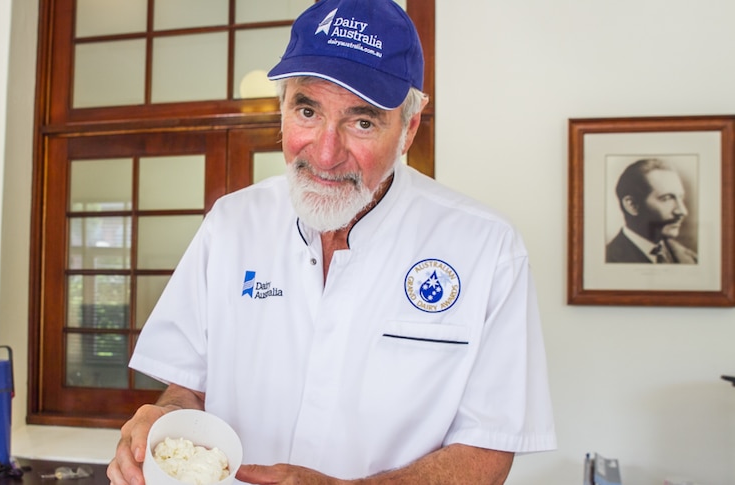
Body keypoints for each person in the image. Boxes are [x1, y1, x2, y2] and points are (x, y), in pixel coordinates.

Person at [108, 0, 556, 483]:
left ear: (408, 129)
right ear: (282, 109)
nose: (325, 153)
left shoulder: (486, 247)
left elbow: (487, 452)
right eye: (307, 110)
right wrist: (162, 423)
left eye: (362, 122)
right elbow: (188, 389)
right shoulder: (231, 223)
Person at [606, 158, 697, 264]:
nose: (682, 211)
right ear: (632, 205)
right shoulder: (607, 259)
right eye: (666, 198)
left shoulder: (691, 259)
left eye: (680, 198)